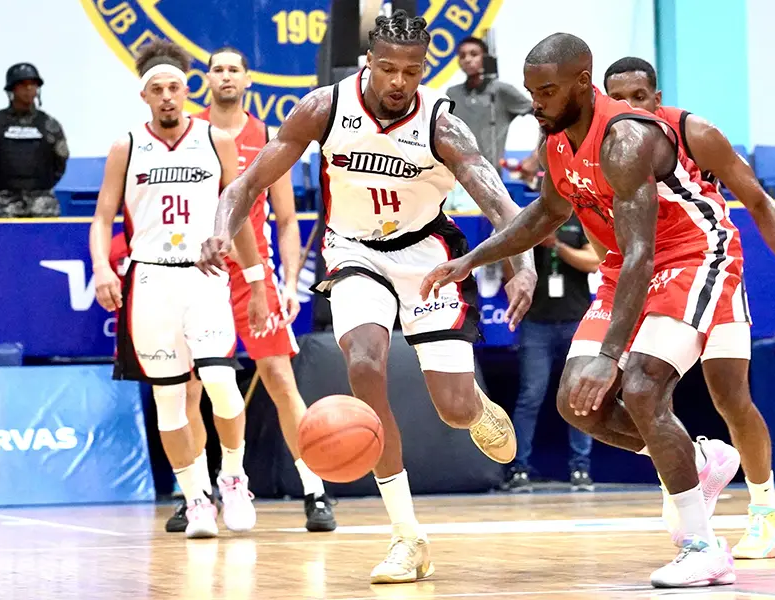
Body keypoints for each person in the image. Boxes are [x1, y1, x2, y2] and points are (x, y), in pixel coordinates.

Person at [423, 33, 775, 588]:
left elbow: (644, 253)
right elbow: (545, 213)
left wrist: (610, 355)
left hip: (693, 255)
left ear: (581, 84)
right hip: (625, 265)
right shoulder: (555, 140)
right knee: (576, 403)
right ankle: (698, 461)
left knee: (641, 388)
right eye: (532, 92)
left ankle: (703, 546)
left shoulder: (626, 139)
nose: (536, 104)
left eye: (547, 92)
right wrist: (473, 258)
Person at [196, 11, 536, 584]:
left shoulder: (443, 125)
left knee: (454, 410)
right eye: (387, 69)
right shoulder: (324, 109)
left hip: (428, 255)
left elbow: (503, 205)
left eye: (412, 70)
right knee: (363, 365)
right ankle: (408, 537)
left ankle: (475, 406)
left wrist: (520, 264)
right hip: (354, 250)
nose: (399, 81)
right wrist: (219, 231)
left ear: (425, 69)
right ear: (368, 62)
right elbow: (246, 183)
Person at [602, 56, 775, 558]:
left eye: (639, 97)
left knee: (730, 395)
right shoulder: (604, 144)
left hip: (709, 264)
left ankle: (765, 508)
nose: (629, 107)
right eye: (618, 99)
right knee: (649, 388)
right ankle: (685, 482)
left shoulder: (696, 133)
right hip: (649, 272)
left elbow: (759, 201)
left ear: (657, 99)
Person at [88, 40, 266, 539]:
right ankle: (196, 499)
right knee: (169, 400)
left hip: (203, 275)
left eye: (174, 87)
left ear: (187, 91)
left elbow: (237, 213)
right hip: (149, 279)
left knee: (221, 382)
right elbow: (102, 218)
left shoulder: (215, 140)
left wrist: (255, 281)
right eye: (158, 89)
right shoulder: (126, 146)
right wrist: (102, 267)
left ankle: (233, 476)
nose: (167, 96)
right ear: (144, 95)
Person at [158, 46, 337, 534]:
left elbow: (286, 218)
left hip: (253, 276)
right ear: (206, 80)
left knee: (279, 378)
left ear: (247, 79)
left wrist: (290, 281)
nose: (225, 76)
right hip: (199, 274)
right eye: (217, 69)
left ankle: (314, 489)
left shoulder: (267, 138)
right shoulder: (189, 133)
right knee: (190, 387)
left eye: (233, 69)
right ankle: (195, 494)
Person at [502, 214, 599, 492]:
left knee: (579, 396)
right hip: (536, 323)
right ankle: (518, 468)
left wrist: (556, 245)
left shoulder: (580, 219)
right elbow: (510, 274)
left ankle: (581, 467)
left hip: (576, 321)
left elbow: (593, 262)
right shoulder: (528, 220)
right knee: (530, 396)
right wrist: (522, 245)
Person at [445, 36, 538, 209]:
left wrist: (536, 156)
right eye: (462, 55)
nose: (467, 59)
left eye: (474, 54)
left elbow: (544, 115)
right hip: (453, 181)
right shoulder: (452, 93)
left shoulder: (501, 91)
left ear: (486, 58)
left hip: (487, 181)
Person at [0, 63, 68, 217]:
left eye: (33, 84)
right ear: (12, 89)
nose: (29, 89)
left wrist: (40, 187)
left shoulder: (50, 125)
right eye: (22, 84)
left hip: (43, 205)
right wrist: (1, 187)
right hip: (4, 205)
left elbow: (61, 160)